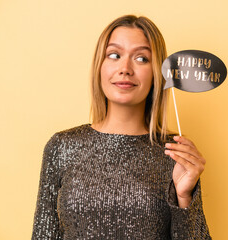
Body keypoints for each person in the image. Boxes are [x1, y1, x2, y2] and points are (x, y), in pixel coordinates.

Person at [32, 15, 211, 239]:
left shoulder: (175, 153)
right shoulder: (62, 147)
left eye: (142, 58)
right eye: (114, 55)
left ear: (157, 73)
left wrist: (185, 198)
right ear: (100, 65)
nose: (125, 68)